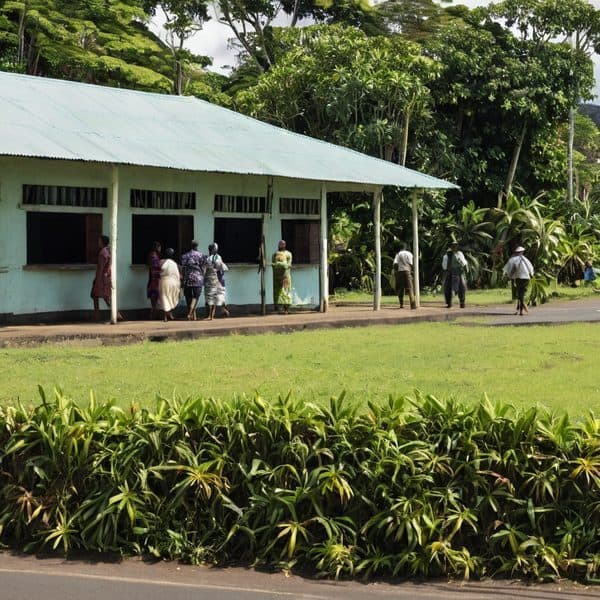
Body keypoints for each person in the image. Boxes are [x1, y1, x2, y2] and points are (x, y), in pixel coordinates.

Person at [90, 235, 123, 321]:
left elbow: (100, 267)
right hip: (107, 276)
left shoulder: (102, 253)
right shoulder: (109, 251)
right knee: (106, 296)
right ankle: (117, 313)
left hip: (102, 278)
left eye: (99, 241)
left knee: (95, 295)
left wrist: (96, 280)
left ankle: (97, 315)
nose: (98, 243)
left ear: (102, 242)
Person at [503, 246, 534, 316]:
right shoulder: (526, 260)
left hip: (519, 278)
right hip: (526, 278)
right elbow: (530, 269)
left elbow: (513, 269)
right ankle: (520, 310)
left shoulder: (514, 260)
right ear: (522, 252)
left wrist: (509, 276)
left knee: (520, 294)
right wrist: (531, 275)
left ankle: (521, 310)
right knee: (521, 294)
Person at [180, 240, 207, 320]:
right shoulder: (201, 255)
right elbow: (204, 267)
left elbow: (183, 268)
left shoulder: (185, 256)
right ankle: (190, 313)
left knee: (188, 297)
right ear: (197, 246)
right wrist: (203, 276)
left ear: (190, 245)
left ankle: (193, 316)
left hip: (188, 279)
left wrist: (183, 278)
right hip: (198, 279)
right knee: (195, 297)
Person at [204, 242, 229, 320]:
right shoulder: (217, 257)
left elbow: (208, 270)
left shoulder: (210, 259)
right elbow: (223, 268)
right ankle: (222, 310)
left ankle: (211, 315)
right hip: (219, 280)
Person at [442, 239, 468, 308]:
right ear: (451, 247)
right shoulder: (446, 256)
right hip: (451, 273)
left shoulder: (460, 254)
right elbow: (444, 266)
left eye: (456, 245)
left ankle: (462, 302)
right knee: (448, 288)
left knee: (462, 287)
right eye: (453, 246)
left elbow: (464, 263)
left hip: (459, 272)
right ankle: (449, 303)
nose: (454, 247)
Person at [159, 247, 181, 322]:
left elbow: (157, 271)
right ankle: (168, 315)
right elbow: (177, 275)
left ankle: (167, 315)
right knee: (170, 298)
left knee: (165, 298)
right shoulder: (174, 263)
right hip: (173, 282)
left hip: (163, 282)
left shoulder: (161, 262)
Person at [272, 240, 293, 314]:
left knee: (286, 291)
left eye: (282, 244)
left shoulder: (288, 254)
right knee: (277, 292)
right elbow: (273, 265)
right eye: (280, 244)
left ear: (285, 245)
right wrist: (278, 265)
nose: (281, 246)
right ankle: (277, 307)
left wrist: (282, 265)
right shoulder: (275, 254)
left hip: (285, 276)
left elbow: (289, 264)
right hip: (276, 276)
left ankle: (286, 309)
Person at [393, 243, 416, 309]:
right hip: (407, 271)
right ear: (405, 247)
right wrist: (412, 271)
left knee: (400, 289)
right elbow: (412, 264)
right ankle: (412, 304)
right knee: (410, 288)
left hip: (400, 272)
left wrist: (396, 271)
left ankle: (401, 304)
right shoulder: (409, 254)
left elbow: (395, 264)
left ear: (400, 248)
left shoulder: (398, 254)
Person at [147, 241, 162, 319]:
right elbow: (156, 268)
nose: (160, 249)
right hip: (154, 280)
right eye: (159, 247)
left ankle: (153, 315)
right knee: (154, 300)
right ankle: (153, 316)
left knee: (154, 300)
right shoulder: (154, 256)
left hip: (152, 279)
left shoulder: (152, 255)